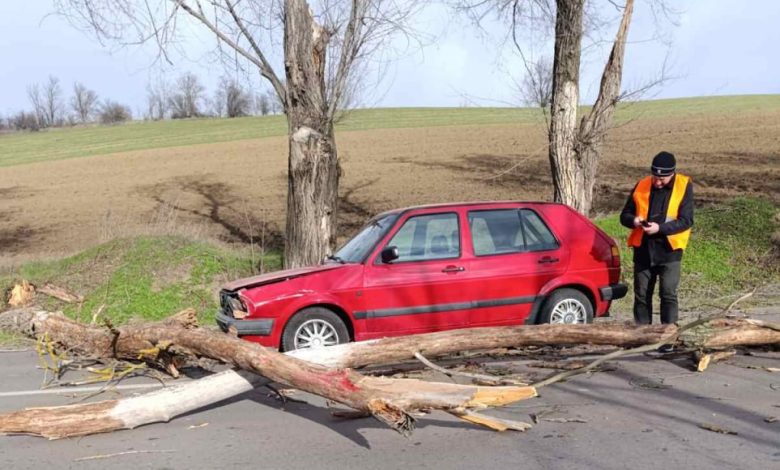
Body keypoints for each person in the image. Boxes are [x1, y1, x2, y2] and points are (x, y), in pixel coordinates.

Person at [620, 151, 694, 350]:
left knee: (668, 294)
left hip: (670, 251)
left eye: (662, 178)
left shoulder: (684, 186)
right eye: (655, 177)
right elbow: (624, 215)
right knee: (641, 296)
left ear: (672, 174)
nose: (658, 182)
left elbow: (686, 220)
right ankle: (642, 337)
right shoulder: (642, 184)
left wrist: (659, 228)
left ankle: (667, 340)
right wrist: (634, 221)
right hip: (643, 250)